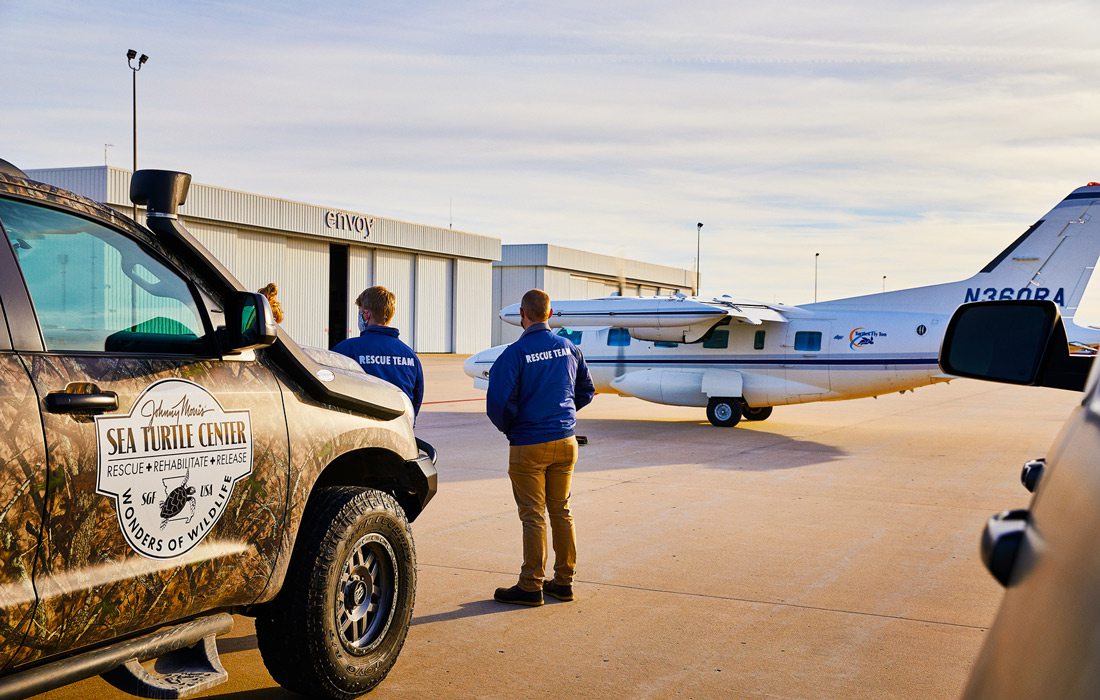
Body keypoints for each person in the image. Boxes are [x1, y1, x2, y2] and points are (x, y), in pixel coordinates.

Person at [486, 288, 595, 606]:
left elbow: (498, 403)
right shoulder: (569, 348)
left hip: (529, 444)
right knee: (561, 510)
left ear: (523, 315)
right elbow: (585, 390)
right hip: (566, 440)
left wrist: (514, 429)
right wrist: (561, 414)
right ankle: (563, 581)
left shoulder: (514, 354)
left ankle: (531, 584)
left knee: (533, 515)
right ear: (549, 315)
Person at [332, 285, 424, 416]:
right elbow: (416, 399)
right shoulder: (410, 355)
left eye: (360, 312)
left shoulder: (346, 350)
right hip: (399, 429)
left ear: (366, 314)